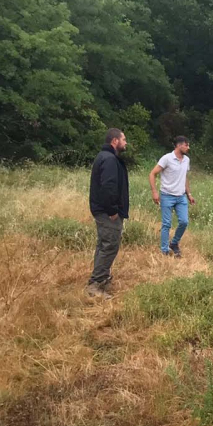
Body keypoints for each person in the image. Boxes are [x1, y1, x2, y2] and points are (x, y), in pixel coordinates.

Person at [86, 128, 129, 298]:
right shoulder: (109, 159)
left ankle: (100, 279)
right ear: (114, 141)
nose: (126, 143)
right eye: (124, 139)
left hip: (102, 209)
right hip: (107, 211)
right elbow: (108, 187)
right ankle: (95, 285)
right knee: (109, 245)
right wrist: (112, 210)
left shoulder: (105, 157)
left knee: (103, 245)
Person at [149, 136, 195, 257]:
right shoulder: (167, 158)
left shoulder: (186, 160)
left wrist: (188, 194)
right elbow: (152, 174)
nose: (188, 147)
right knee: (166, 224)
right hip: (167, 196)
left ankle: (174, 243)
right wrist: (154, 191)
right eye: (186, 145)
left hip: (181, 197)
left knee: (184, 222)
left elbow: (184, 177)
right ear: (179, 145)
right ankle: (164, 250)